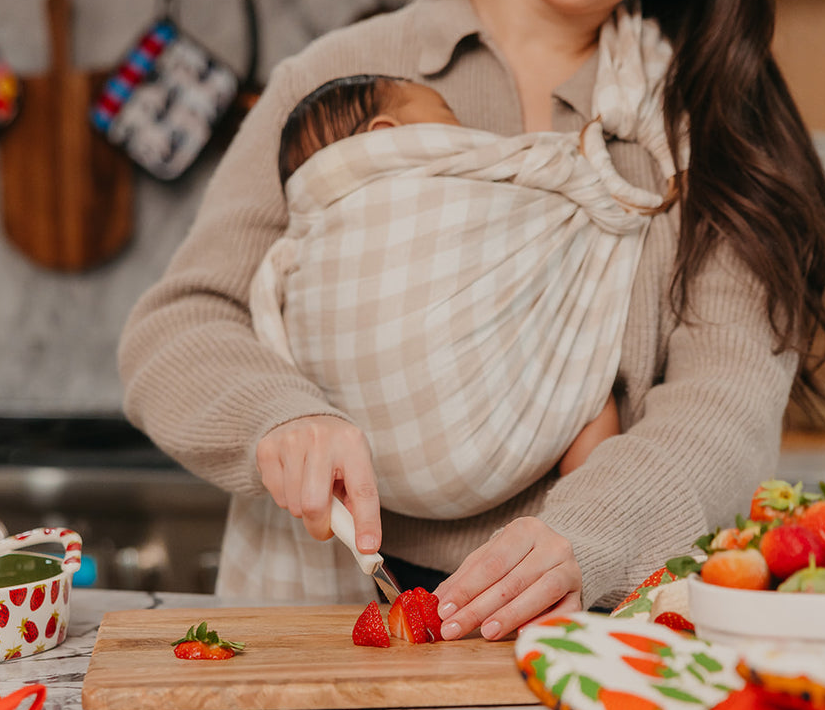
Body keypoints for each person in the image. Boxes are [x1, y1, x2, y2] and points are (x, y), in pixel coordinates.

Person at [118, 0, 825, 640]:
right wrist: (275, 418)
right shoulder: (333, 78)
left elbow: (729, 396)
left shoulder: (713, 128)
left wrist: (590, 535)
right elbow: (184, 321)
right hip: (330, 611)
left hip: (590, 608)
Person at [266, 71, 623, 498]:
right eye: (446, 116)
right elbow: (538, 191)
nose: (468, 131)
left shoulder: (298, 252)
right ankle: (591, 501)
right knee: (585, 368)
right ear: (387, 136)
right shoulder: (391, 208)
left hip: (369, 478)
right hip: (466, 448)